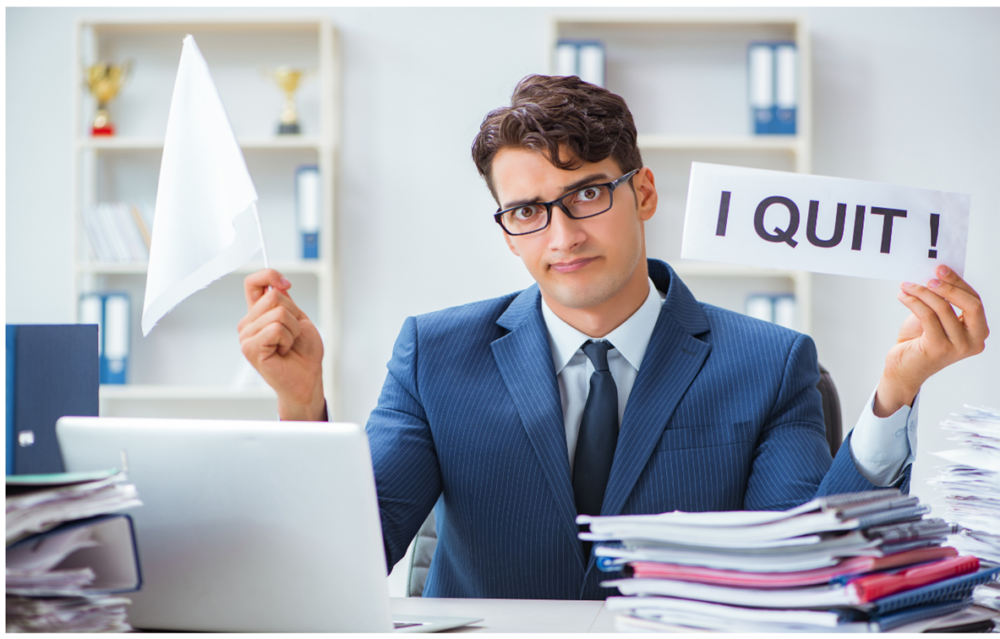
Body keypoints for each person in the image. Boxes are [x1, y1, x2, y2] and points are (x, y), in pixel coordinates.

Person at [237, 75, 989, 600]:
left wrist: (896, 393)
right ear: (507, 231)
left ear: (644, 192)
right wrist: (302, 407)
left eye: (587, 194)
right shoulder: (437, 355)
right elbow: (345, 556)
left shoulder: (769, 362)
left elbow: (807, 565)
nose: (562, 234)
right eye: (528, 210)